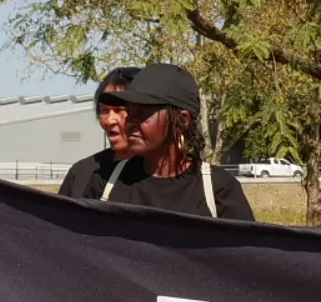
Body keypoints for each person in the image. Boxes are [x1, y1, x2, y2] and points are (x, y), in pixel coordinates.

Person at [83, 63, 254, 218]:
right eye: (130, 111)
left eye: (142, 113)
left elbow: (246, 252)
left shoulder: (218, 191)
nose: (130, 122)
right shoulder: (105, 182)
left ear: (182, 120)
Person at [57, 66, 140, 201]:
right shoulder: (81, 174)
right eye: (104, 111)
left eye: (119, 110)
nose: (109, 120)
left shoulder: (161, 177)